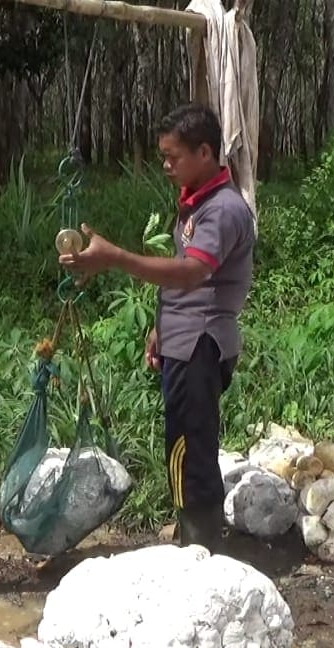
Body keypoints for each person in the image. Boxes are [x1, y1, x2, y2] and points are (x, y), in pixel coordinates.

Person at [58, 103, 256, 552]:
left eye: (173, 157)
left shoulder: (222, 210)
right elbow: (187, 279)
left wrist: (116, 258)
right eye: (163, 156)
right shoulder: (197, 201)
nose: (165, 166)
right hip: (184, 340)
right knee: (185, 446)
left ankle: (202, 549)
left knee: (191, 452)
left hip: (200, 346)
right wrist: (161, 325)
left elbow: (191, 272)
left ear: (204, 152)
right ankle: (195, 539)